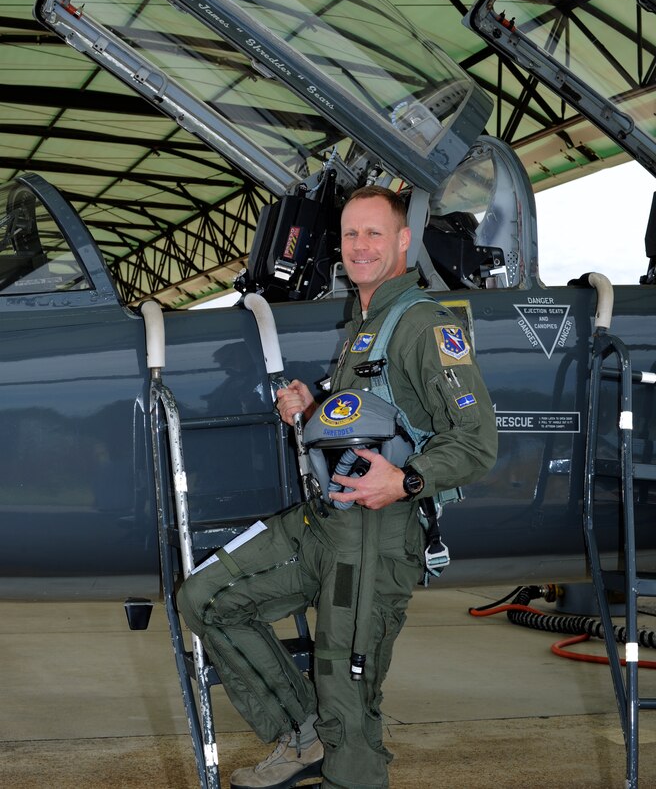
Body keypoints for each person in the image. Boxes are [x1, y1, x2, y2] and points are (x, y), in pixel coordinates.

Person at [177, 185, 498, 789]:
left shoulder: (425, 327)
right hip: (325, 522)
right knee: (207, 598)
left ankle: (344, 761)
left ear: (403, 241)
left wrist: (405, 480)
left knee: (346, 697)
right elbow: (376, 418)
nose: (360, 246)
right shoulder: (363, 326)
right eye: (351, 234)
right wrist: (315, 408)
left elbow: (476, 441)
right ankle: (303, 735)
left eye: (375, 233)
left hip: (379, 538)